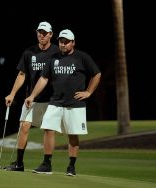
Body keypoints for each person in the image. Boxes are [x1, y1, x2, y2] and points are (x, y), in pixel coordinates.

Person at [25, 29, 101, 176]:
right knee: (48, 129)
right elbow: (44, 78)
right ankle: (46, 164)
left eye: (66, 42)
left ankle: (71, 166)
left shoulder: (82, 57)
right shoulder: (53, 58)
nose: (63, 44)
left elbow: (97, 74)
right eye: (61, 41)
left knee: (72, 134)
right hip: (55, 102)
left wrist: (89, 92)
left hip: (75, 103)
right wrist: (32, 95)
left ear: (73, 43)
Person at [4, 21, 59, 171]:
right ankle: (19, 163)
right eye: (39, 32)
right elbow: (22, 74)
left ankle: (47, 164)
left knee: (49, 130)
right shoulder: (29, 52)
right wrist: (12, 93)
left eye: (44, 32)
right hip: (31, 99)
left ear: (51, 34)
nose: (41, 35)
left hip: (51, 99)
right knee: (24, 126)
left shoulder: (57, 52)